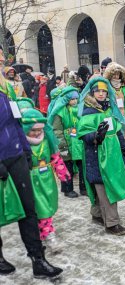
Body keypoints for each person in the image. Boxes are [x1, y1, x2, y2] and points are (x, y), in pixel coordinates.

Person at [0, 64, 63, 278]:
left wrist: (26, 151)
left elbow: (15, 124)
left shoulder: (6, 90)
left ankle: (38, 260)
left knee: (29, 209)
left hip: (16, 155)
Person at [77, 77, 125, 236]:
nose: (101, 94)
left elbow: (116, 132)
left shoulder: (108, 110)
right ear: (92, 92)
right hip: (96, 157)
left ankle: (96, 214)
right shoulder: (88, 112)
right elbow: (83, 135)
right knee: (105, 188)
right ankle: (112, 223)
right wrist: (96, 136)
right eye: (98, 91)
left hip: (112, 157)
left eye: (104, 91)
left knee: (100, 189)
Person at [21, 108, 71, 254]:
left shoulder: (47, 139)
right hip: (30, 179)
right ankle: (48, 235)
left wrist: (62, 172)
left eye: (39, 129)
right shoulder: (22, 143)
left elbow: (55, 157)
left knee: (47, 205)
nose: (37, 133)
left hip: (47, 179)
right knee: (39, 208)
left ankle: (44, 232)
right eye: (33, 130)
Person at [48, 86, 87, 197]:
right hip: (66, 141)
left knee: (82, 164)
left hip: (78, 140)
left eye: (76, 98)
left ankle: (83, 187)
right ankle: (67, 188)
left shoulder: (80, 108)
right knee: (67, 165)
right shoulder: (60, 112)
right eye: (71, 99)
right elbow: (57, 130)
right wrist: (62, 146)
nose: (74, 101)